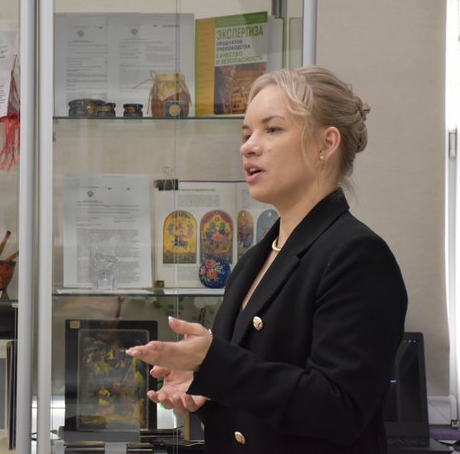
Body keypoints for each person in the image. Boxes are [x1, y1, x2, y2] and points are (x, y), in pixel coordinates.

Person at [126, 66, 408, 453]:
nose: (248, 147)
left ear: (326, 143)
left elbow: (339, 410)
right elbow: (256, 391)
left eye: (272, 129)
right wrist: (203, 386)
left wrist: (215, 364)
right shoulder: (254, 260)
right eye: (246, 134)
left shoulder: (356, 255)